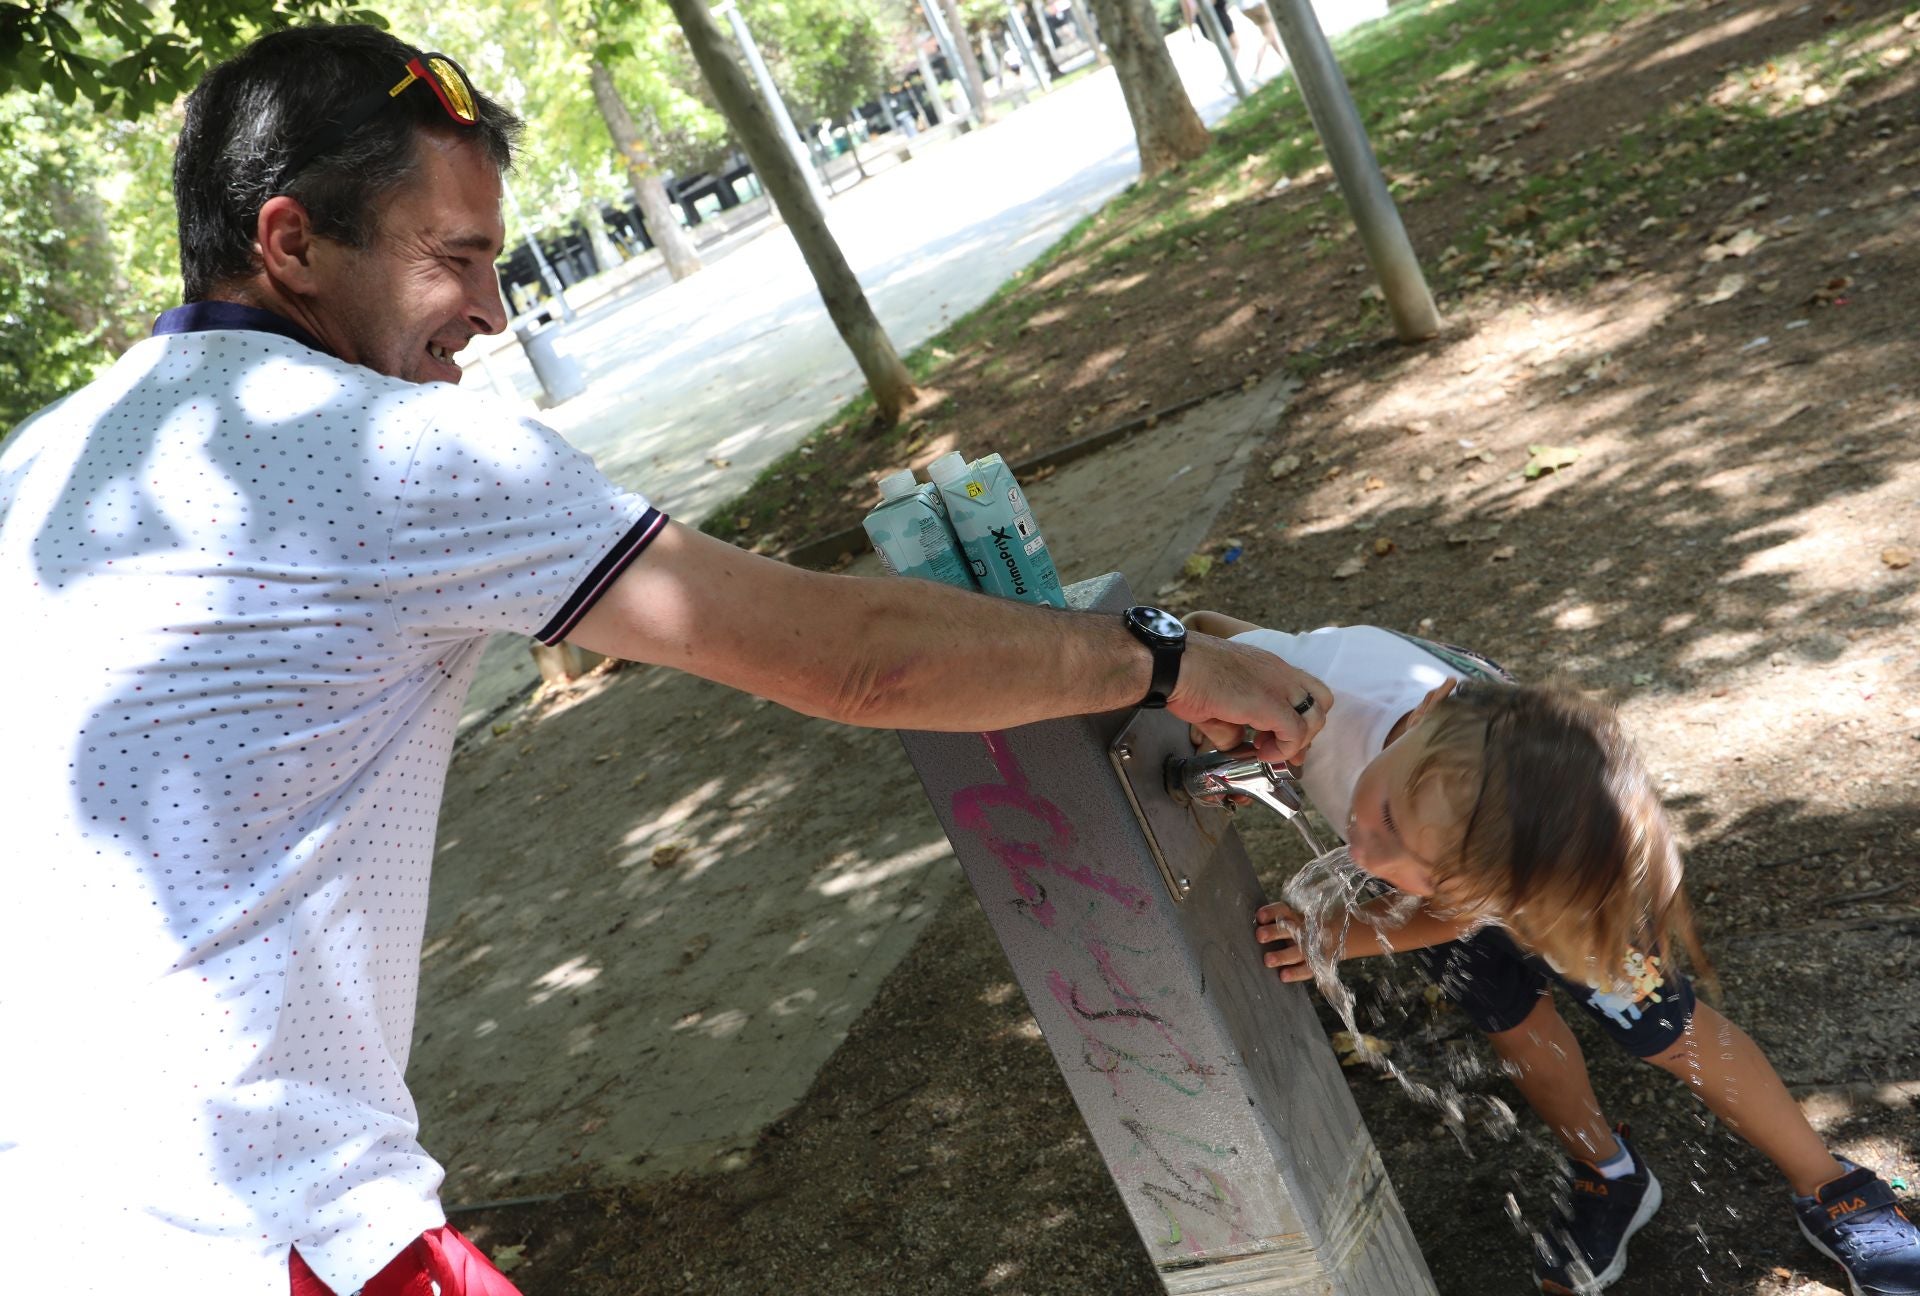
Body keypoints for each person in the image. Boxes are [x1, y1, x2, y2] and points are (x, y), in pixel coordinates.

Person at [0, 24, 1335, 1296]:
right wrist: (1162, 661)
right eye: (454, 260)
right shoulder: (379, 452)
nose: (492, 311)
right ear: (290, 241)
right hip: (260, 1231)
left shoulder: (45, 472)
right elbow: (852, 659)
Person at [1181, 610, 1920, 1296]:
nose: (1365, 851)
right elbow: (1205, 634)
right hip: (1473, 867)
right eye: (1382, 819)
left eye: (1401, 850)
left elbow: (1449, 909)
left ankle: (1830, 1183)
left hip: (1551, 888)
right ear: (1434, 706)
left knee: (1667, 1032)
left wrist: (1343, 930)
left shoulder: (1485, 857)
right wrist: (1215, 706)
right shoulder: (1326, 685)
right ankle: (1609, 1172)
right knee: (1512, 1021)